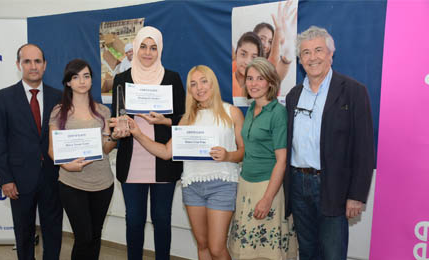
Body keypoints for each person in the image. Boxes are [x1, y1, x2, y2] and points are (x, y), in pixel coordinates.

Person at [128, 65, 245, 260]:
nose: (199, 87)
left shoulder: (231, 113)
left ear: (213, 83)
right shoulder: (186, 119)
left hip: (222, 184)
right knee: (203, 245)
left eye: (204, 81)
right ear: (189, 90)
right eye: (193, 84)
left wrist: (227, 156)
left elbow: (243, 152)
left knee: (217, 248)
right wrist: (138, 134)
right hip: (192, 186)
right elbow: (166, 152)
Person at [284, 26, 375, 260]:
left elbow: (364, 149)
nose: (312, 57)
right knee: (307, 252)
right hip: (297, 184)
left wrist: (356, 195)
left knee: (333, 253)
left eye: (318, 50)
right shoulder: (294, 95)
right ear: (300, 58)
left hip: (332, 185)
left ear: (330, 54)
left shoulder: (353, 92)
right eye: (306, 52)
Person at [108, 26, 186, 260]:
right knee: (134, 221)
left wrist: (165, 120)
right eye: (143, 46)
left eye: (153, 47)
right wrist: (118, 129)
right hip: (132, 162)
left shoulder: (171, 78)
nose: (148, 52)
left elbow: (183, 120)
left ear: (160, 49)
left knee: (162, 220)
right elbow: (117, 116)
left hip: (164, 161)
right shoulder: (121, 79)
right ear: (136, 48)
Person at [0, 43, 63, 260]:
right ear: (18, 64)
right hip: (19, 180)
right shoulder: (3, 97)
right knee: (23, 233)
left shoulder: (58, 97)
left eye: (37, 61)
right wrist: (5, 179)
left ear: (45, 65)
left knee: (53, 232)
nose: (33, 66)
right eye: (27, 61)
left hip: (53, 177)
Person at [228, 57, 297, 260]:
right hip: (246, 185)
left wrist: (267, 199)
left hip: (267, 187)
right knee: (248, 251)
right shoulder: (251, 109)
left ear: (270, 81)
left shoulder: (278, 113)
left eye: (260, 78)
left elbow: (281, 161)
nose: (253, 83)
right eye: (250, 78)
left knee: (266, 253)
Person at [48, 59, 116, 260]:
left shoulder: (103, 112)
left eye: (86, 76)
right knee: (83, 237)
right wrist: (66, 165)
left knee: (95, 236)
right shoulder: (59, 112)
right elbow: (52, 149)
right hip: (72, 183)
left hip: (103, 183)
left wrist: (115, 137)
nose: (82, 81)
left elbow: (106, 149)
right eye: (75, 77)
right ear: (68, 82)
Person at [232, 32, 263, 106]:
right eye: (243, 54)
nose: (247, 62)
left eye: (253, 57)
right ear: (236, 54)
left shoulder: (262, 86)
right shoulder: (225, 79)